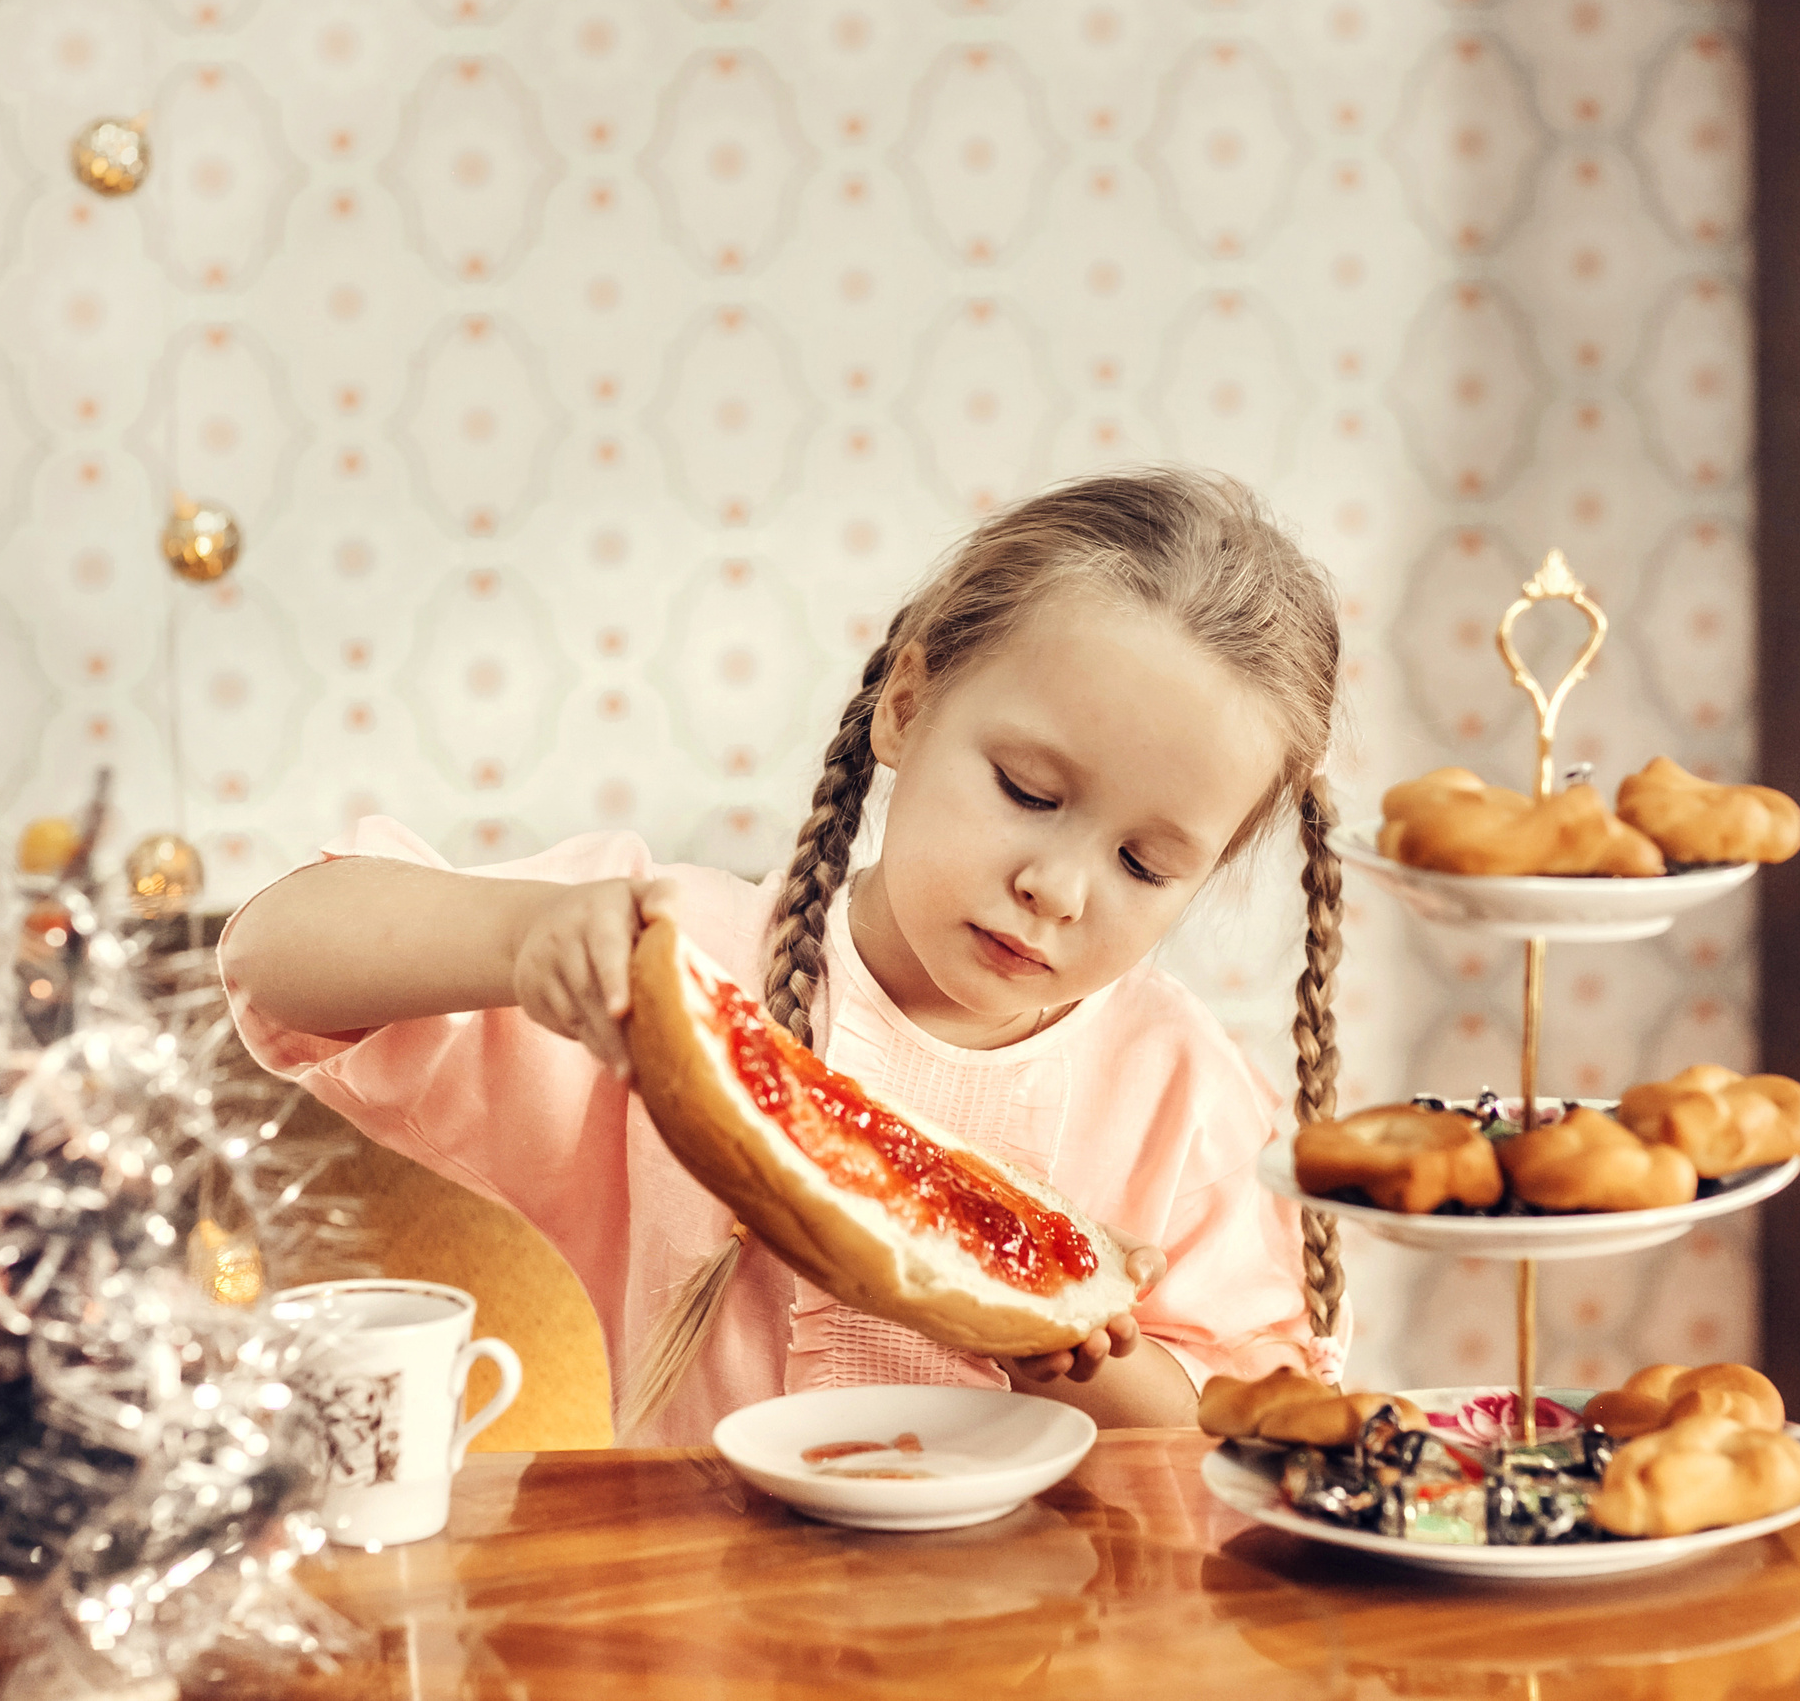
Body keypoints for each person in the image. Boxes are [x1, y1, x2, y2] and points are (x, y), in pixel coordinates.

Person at [220, 467, 1351, 1447]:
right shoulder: (672, 967)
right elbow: (273, 960)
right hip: (693, 1636)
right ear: (905, 705)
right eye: (1026, 792)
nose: (1055, 888)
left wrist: (1080, 1351)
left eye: (1146, 864)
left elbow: (1239, 1432)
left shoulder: (1184, 1095)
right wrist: (522, 941)